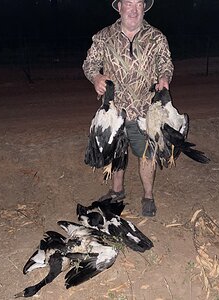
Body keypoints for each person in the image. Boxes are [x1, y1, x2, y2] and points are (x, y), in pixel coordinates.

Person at [82, 0, 174, 217]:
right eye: (128, 3)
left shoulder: (156, 37)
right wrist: (96, 77)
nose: (133, 9)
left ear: (144, 8)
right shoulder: (104, 36)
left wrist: (164, 77)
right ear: (119, 7)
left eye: (139, 4)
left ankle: (148, 196)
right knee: (116, 153)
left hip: (145, 110)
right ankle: (116, 191)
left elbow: (166, 64)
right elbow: (90, 63)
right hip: (115, 110)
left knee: (147, 155)